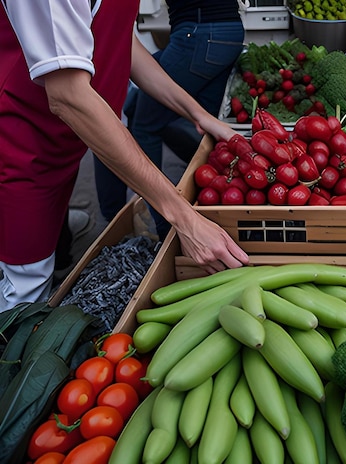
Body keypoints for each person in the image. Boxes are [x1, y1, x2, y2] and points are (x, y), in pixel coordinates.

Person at [0, 0, 250, 311]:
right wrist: (183, 217)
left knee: (47, 249)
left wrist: (198, 115)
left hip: (63, 142)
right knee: (24, 289)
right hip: (20, 148)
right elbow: (68, 95)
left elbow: (122, 42)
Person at [96, 0, 244, 239]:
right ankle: (215, 202)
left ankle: (166, 228)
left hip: (198, 34)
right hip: (226, 32)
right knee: (140, 107)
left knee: (145, 126)